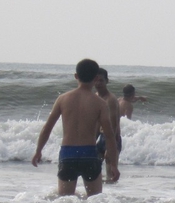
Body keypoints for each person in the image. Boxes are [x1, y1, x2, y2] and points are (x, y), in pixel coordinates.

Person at [32, 58, 119, 195]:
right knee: (95, 201)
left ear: (76, 76)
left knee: (64, 201)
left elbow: (47, 128)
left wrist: (38, 151)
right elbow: (109, 135)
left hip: (68, 154)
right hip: (89, 154)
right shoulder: (100, 103)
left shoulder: (63, 99)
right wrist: (113, 164)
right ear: (96, 78)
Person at [93, 68, 122, 182]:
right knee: (94, 171)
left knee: (111, 175)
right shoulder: (96, 97)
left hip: (112, 138)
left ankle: (113, 192)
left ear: (107, 81)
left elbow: (113, 125)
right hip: (101, 137)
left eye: (101, 80)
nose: (98, 83)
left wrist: (110, 148)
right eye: (96, 80)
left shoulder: (110, 100)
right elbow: (96, 122)